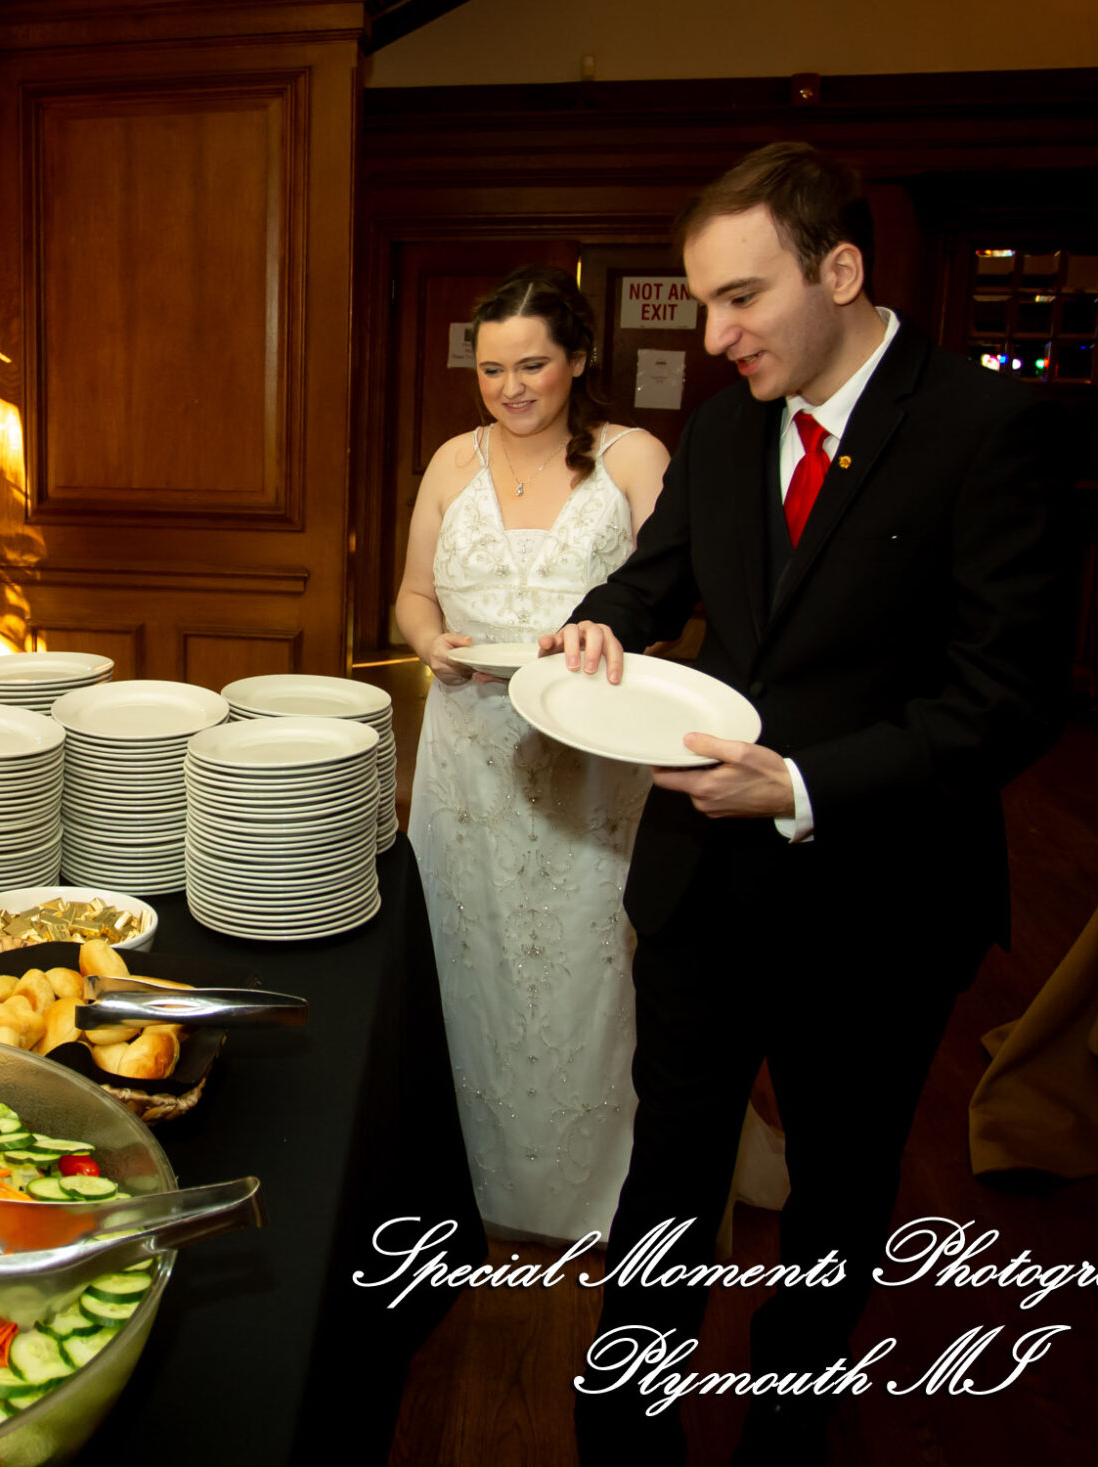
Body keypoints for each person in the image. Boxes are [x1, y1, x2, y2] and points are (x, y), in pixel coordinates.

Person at [545, 143, 1072, 1463]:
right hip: (700, 891)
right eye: (705, 301)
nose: (714, 335)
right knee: (666, 1180)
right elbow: (647, 587)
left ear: (839, 269)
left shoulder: (981, 428)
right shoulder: (723, 432)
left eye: (741, 298)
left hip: (878, 901)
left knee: (836, 1206)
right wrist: (594, 633)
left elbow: (1009, 694)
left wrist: (799, 781)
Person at [396, 264, 671, 1244]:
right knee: (462, 956)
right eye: (491, 369)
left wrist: (609, 648)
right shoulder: (449, 464)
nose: (510, 387)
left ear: (579, 360)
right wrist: (431, 647)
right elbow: (412, 598)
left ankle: (586, 1190)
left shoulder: (634, 460)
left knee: (581, 962)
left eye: (533, 365)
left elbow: (675, 601)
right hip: (466, 755)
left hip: (586, 761)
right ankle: (455, 1176)